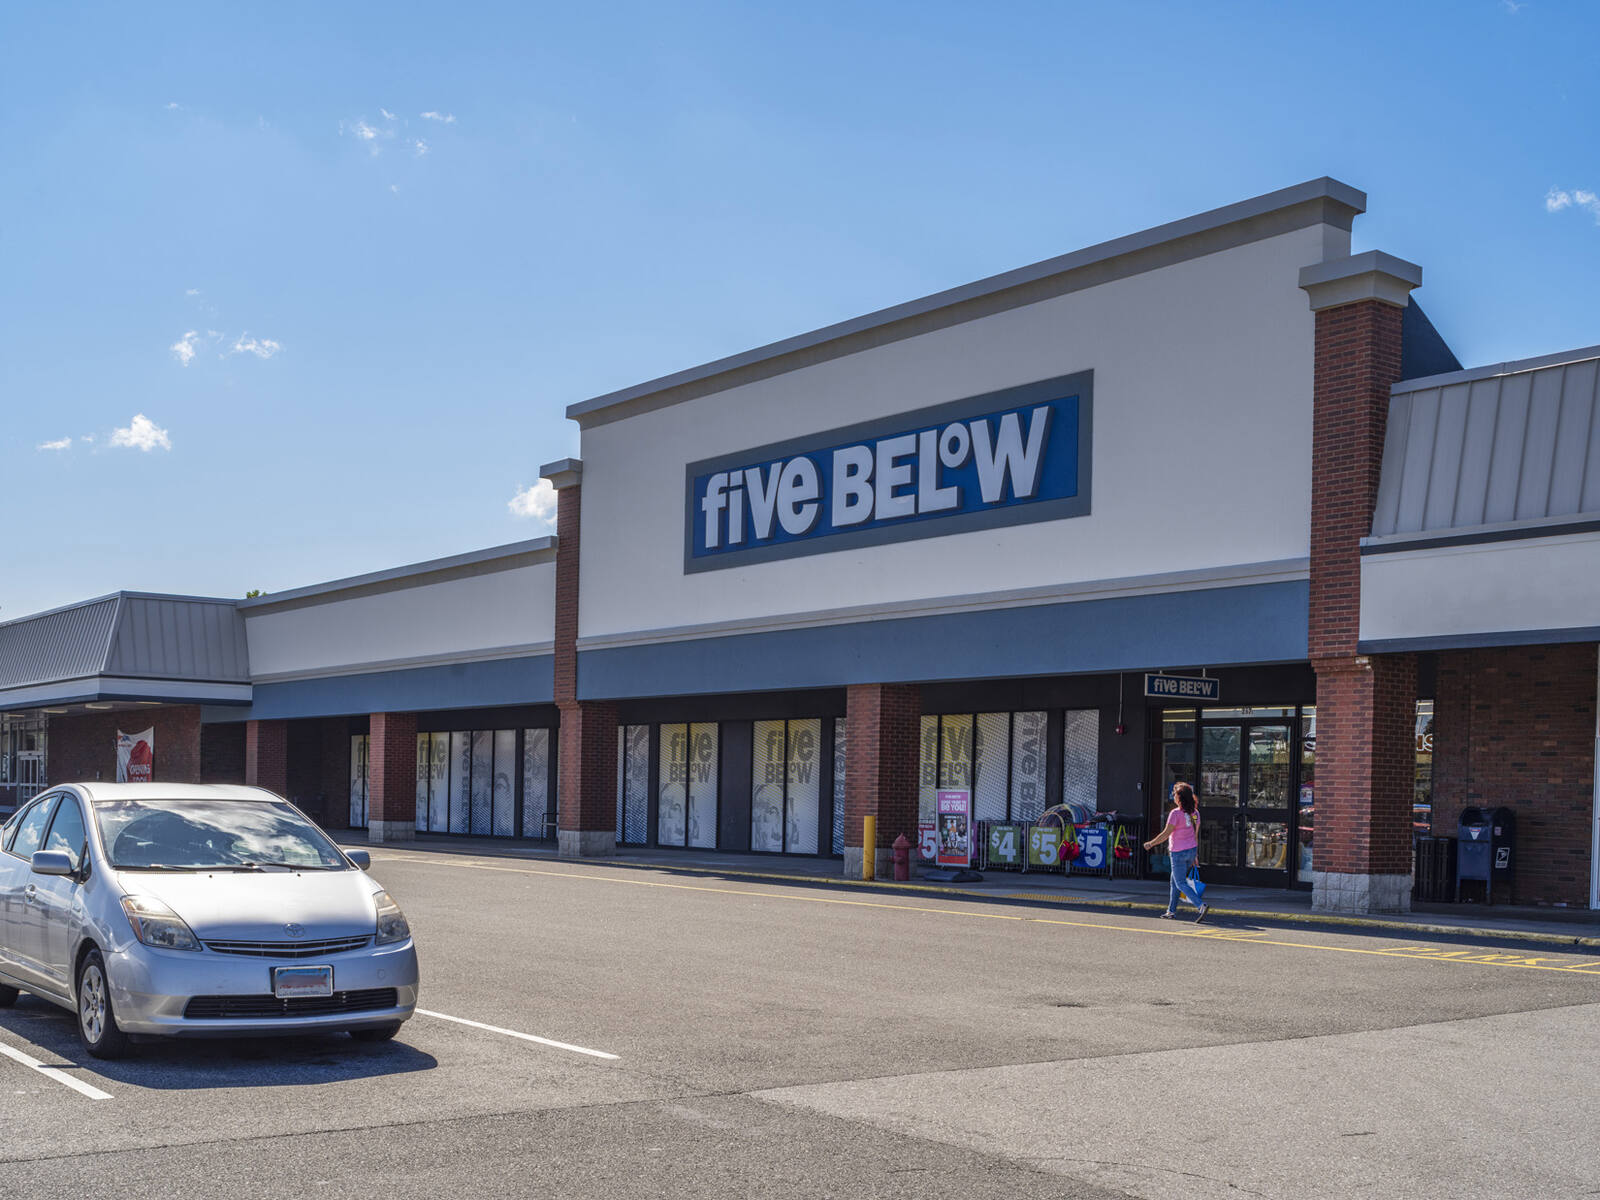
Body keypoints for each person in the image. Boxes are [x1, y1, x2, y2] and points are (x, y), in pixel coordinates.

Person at [1144, 782, 1208, 922]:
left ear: (1180, 798)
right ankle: (1171, 911)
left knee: (1180, 883)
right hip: (1190, 851)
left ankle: (1200, 905)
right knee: (1174, 882)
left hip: (1178, 852)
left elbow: (1166, 834)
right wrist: (1195, 854)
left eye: (1175, 794)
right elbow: (1195, 834)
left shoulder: (1175, 813)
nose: (1173, 796)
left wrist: (1151, 843)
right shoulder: (1195, 813)